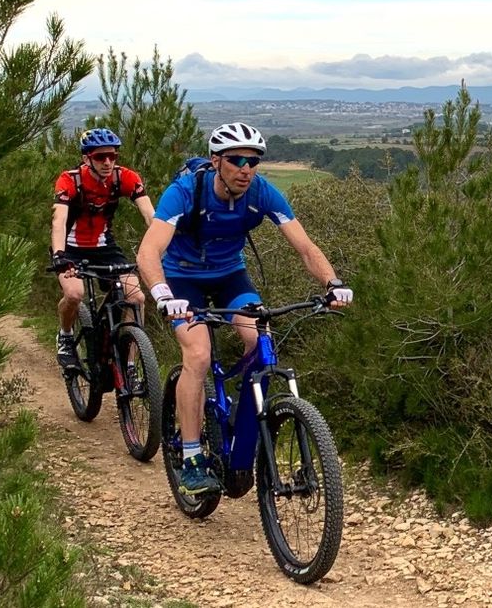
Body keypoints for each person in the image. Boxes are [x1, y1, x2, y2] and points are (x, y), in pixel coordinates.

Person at [137, 122, 353, 494]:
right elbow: (148, 251)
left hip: (230, 276)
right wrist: (162, 295)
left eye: (253, 161)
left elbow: (305, 247)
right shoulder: (186, 191)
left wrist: (332, 283)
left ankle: (238, 414)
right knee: (199, 355)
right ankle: (191, 456)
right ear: (216, 161)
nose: (246, 168)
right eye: (236, 160)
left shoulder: (262, 193)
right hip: (182, 279)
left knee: (262, 340)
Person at [51, 127, 155, 369]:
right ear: (87, 158)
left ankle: (129, 364)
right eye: (100, 157)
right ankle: (65, 335)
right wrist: (59, 255)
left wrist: (160, 247)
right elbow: (58, 221)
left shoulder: (125, 177)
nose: (108, 162)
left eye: (113, 156)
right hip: (70, 248)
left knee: (136, 298)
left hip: (104, 246)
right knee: (74, 294)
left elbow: (151, 216)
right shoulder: (70, 180)